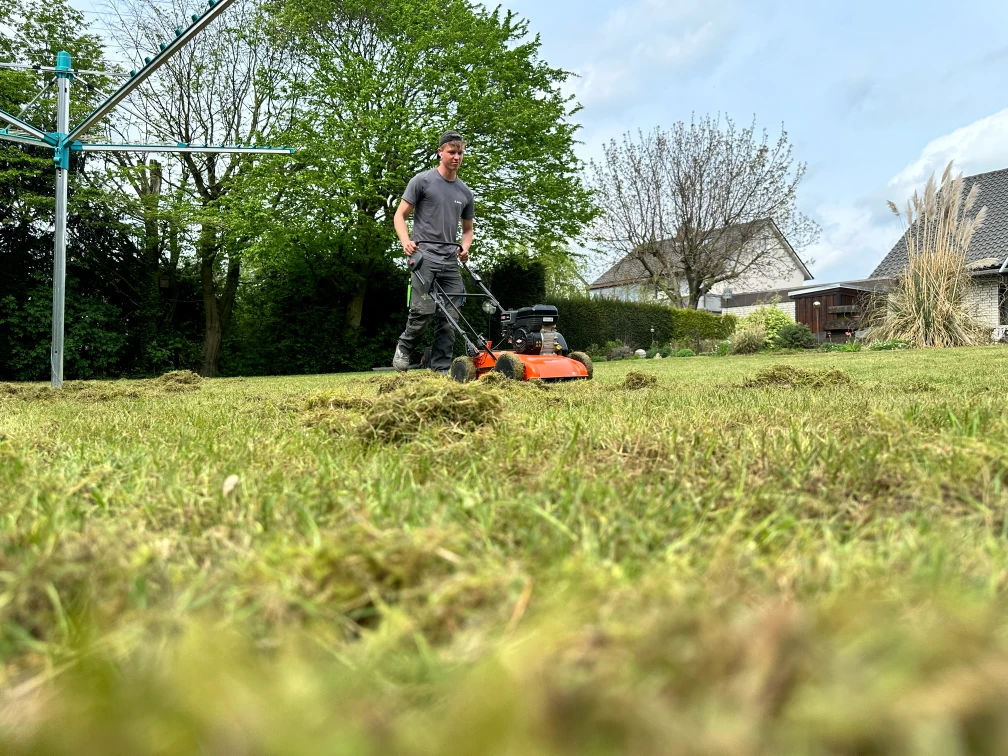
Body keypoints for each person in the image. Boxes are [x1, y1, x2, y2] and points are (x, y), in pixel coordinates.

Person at [391, 129, 475, 372]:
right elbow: (400, 215)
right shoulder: (422, 181)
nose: (457, 157)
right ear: (440, 152)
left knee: (450, 318)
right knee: (422, 312)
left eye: (460, 152)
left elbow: (467, 230)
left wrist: (464, 248)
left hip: (450, 261)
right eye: (452, 152)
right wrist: (405, 241)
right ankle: (404, 349)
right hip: (424, 257)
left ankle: (440, 368)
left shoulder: (465, 192)